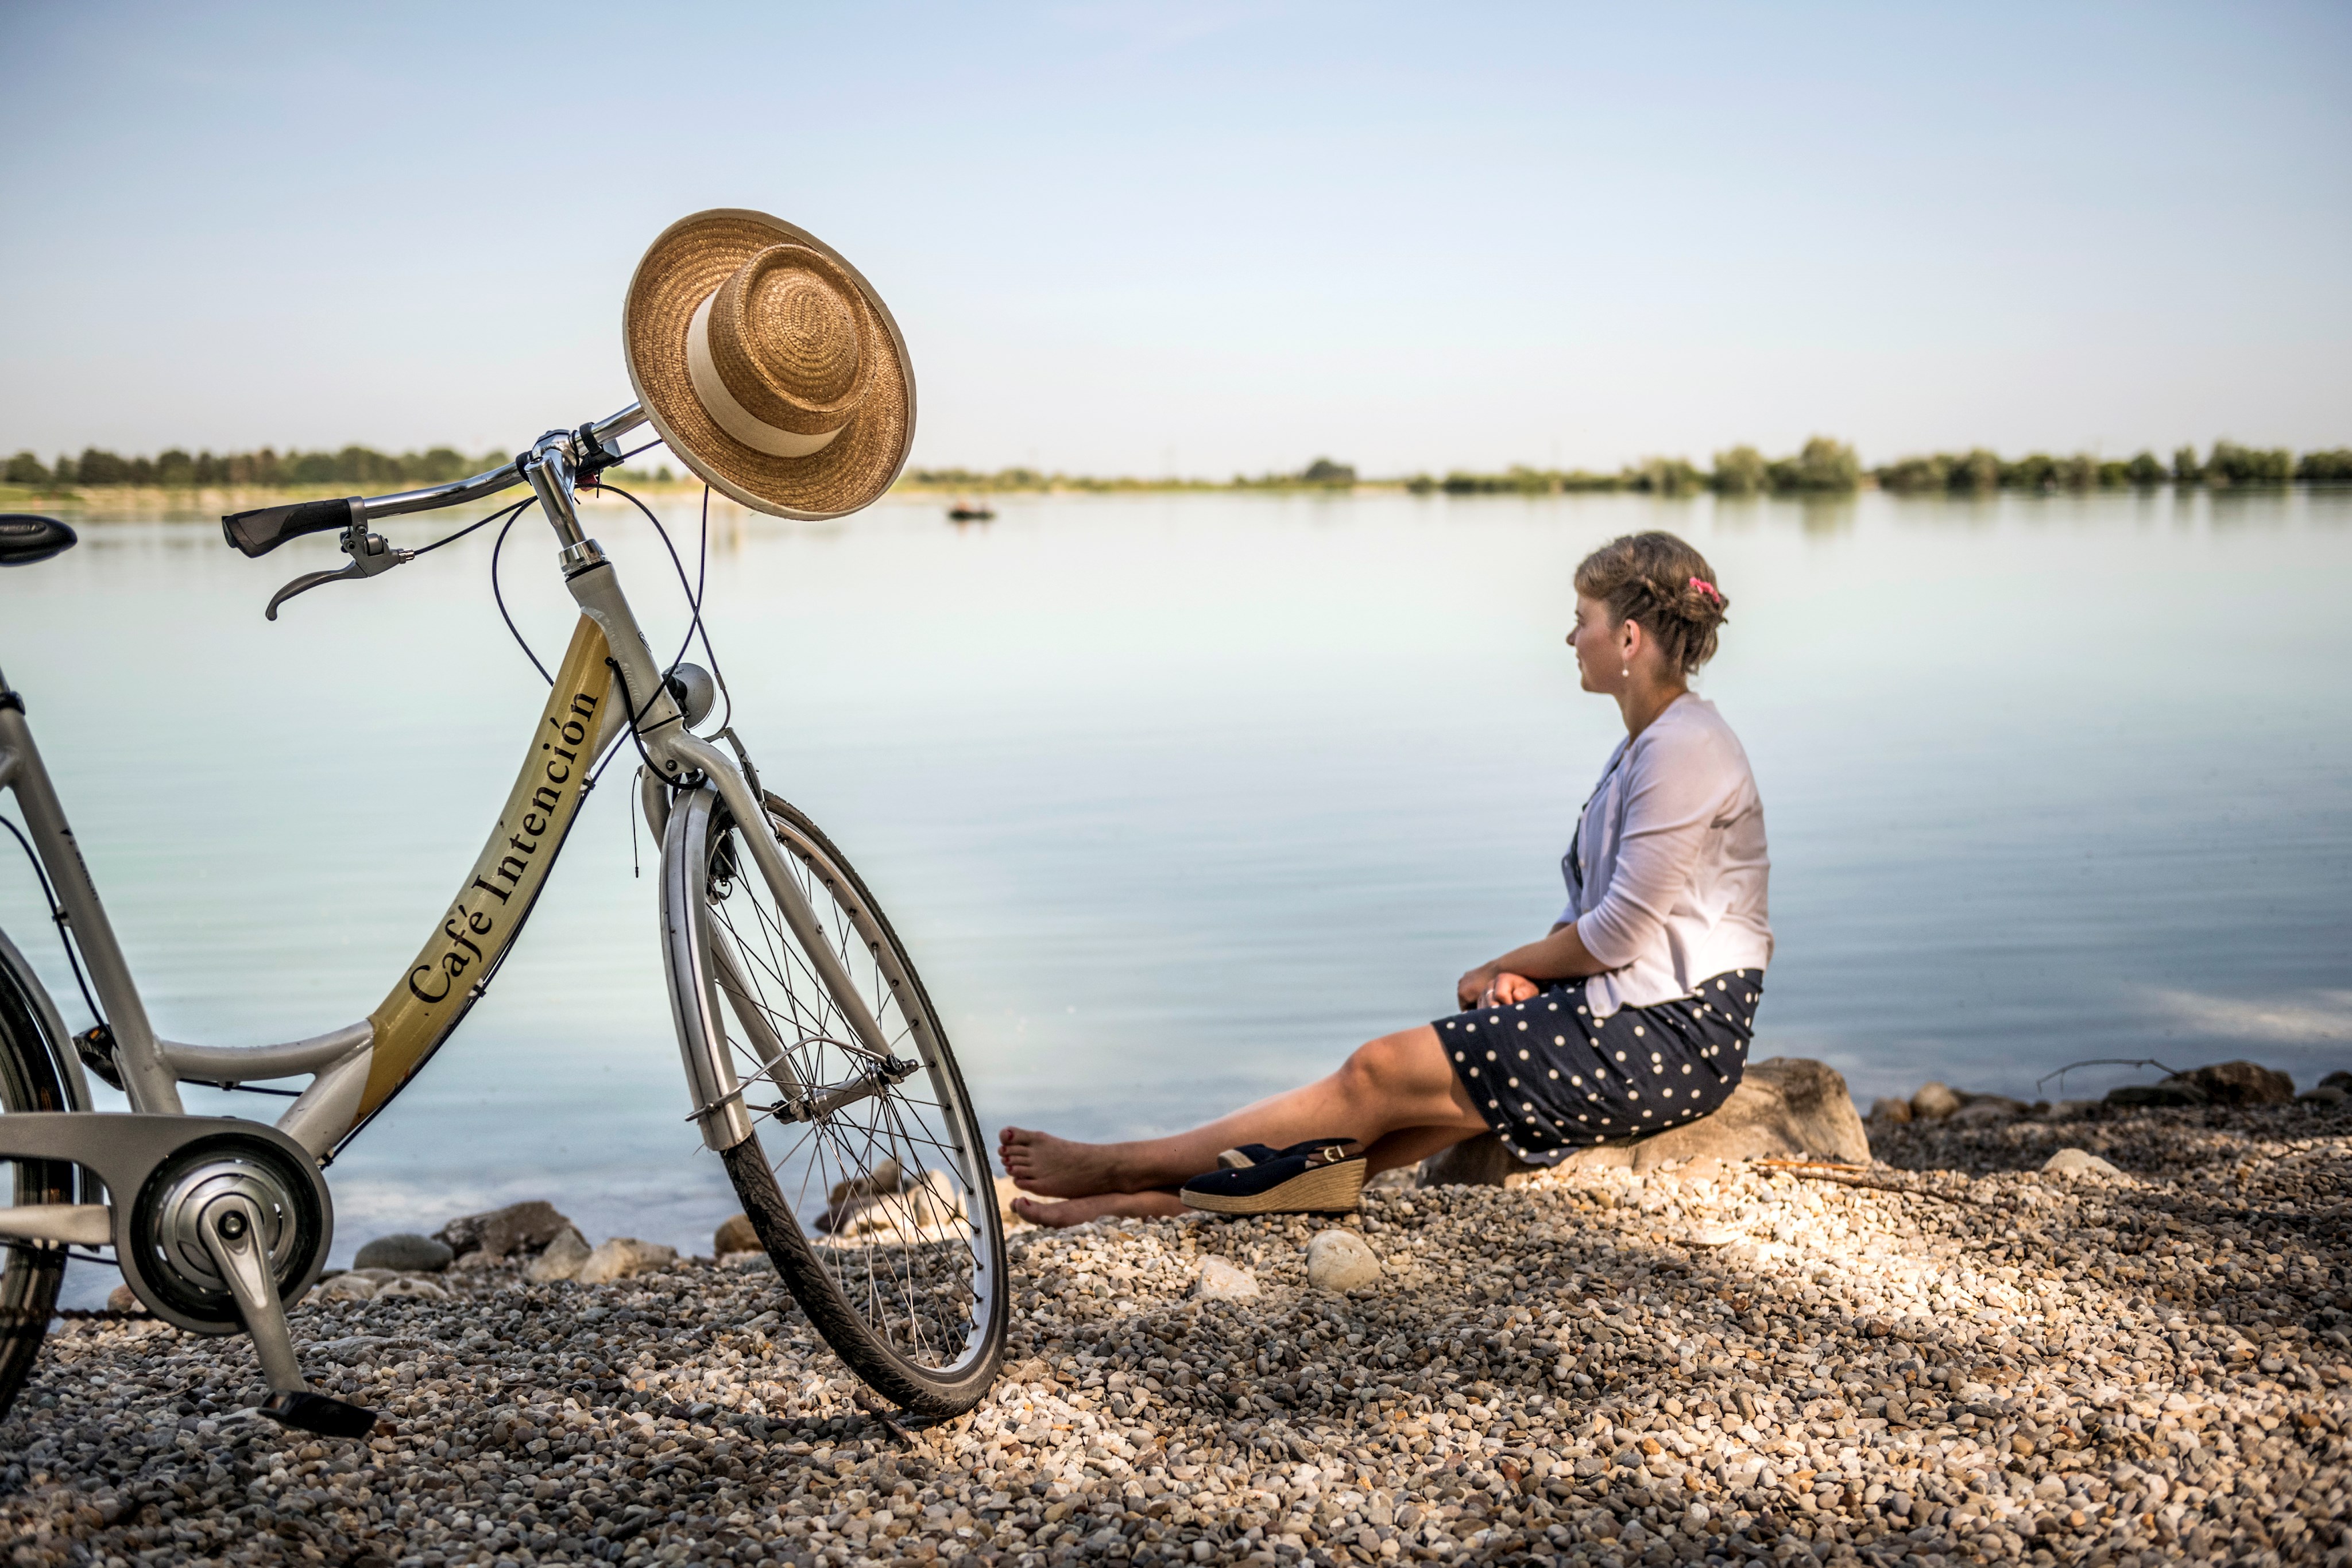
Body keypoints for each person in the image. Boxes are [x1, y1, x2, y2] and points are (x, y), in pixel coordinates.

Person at [999, 531, 1771, 1226]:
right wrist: (1536, 977)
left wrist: (1505, 966)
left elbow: (1620, 934)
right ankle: (1169, 1201)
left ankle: (1124, 1164)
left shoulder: (1684, 749)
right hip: (1632, 1012)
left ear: (1627, 637)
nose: (1571, 636)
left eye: (1583, 619)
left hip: (1670, 1038)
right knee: (1397, 1120)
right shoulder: (1649, 746)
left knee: (1376, 1071)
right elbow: (1597, 916)